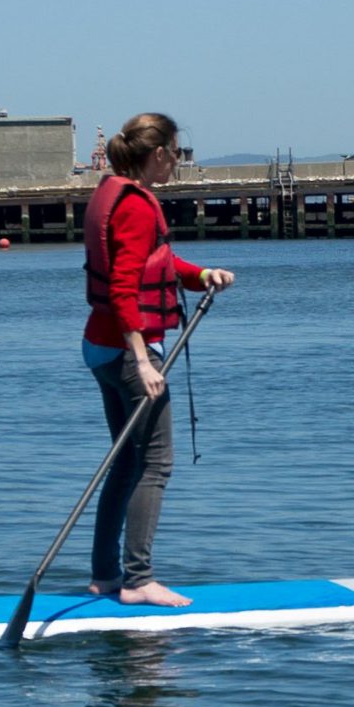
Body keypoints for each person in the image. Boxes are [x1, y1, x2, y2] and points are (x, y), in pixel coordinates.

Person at [82, 113, 235, 606]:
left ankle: (105, 575)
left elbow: (159, 263)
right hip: (128, 351)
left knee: (126, 461)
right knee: (155, 462)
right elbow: (124, 287)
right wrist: (143, 361)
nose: (179, 163)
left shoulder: (114, 193)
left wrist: (202, 274)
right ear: (160, 153)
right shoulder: (137, 206)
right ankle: (138, 579)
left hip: (99, 346)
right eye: (177, 153)